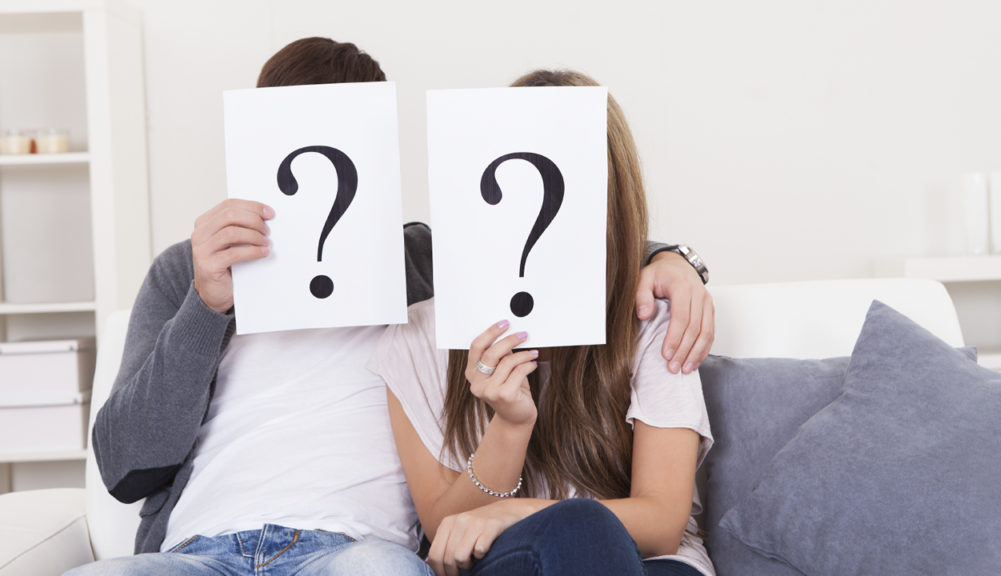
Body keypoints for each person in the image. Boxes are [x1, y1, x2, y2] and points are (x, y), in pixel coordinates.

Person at [69, 39, 714, 575]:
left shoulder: (419, 261)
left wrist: (674, 260)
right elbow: (125, 468)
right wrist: (204, 310)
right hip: (194, 553)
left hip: (353, 551)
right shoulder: (186, 272)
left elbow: (550, 226)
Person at [371, 70, 715, 576]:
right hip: (513, 565)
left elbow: (662, 520)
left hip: (650, 564)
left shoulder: (651, 317)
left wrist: (520, 511)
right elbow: (448, 532)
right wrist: (510, 427)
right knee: (574, 530)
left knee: (583, 528)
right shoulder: (417, 338)